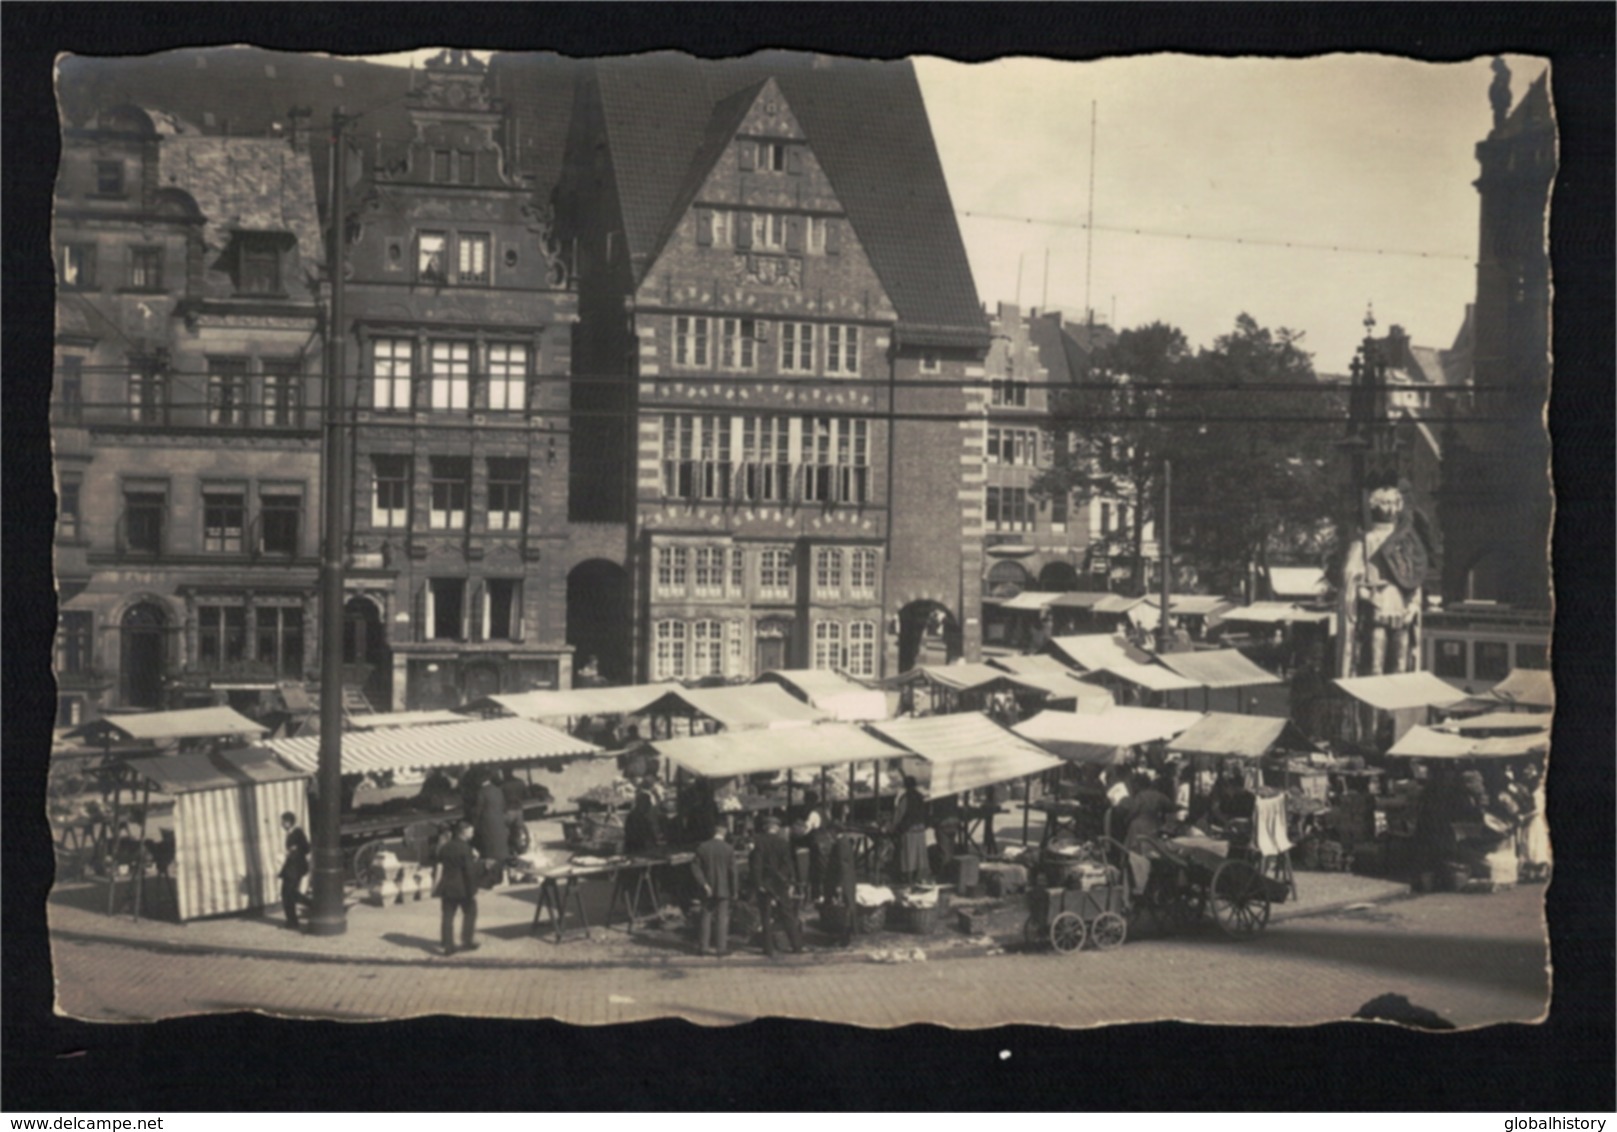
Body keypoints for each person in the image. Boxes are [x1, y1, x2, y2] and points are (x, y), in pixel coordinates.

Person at [749, 814, 803, 956]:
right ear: (776, 828)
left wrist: (758, 882)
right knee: (787, 914)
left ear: (765, 827)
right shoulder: (783, 842)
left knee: (766, 915)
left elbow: (756, 865)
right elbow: (788, 864)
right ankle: (796, 945)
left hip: (765, 882)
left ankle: (768, 948)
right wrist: (786, 879)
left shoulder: (759, 842)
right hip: (780, 883)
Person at [690, 823, 739, 957]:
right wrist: (734, 891)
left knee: (705, 916)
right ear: (724, 833)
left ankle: (703, 947)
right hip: (724, 889)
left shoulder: (702, 847)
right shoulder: (729, 849)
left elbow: (695, 868)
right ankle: (721, 948)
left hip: (707, 889)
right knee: (722, 918)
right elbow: (733, 872)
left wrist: (703, 884)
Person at [433, 821, 481, 956]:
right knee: (471, 912)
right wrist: (473, 890)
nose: (472, 834)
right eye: (470, 831)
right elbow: (469, 872)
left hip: (447, 886)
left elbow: (439, 862)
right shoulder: (465, 849)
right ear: (463, 832)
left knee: (448, 916)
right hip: (463, 888)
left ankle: (448, 945)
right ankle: (467, 940)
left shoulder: (445, 847)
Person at [825, 804, 861, 948]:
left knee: (843, 909)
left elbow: (841, 865)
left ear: (834, 831)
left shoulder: (840, 844)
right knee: (847, 906)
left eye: (830, 832)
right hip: (847, 879)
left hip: (843, 880)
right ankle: (845, 936)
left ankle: (844, 938)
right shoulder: (844, 841)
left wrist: (838, 884)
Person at [1115, 773, 1179, 851]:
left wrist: (1127, 819)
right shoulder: (1158, 795)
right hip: (1154, 823)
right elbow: (1171, 807)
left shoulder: (1140, 796)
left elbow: (1134, 810)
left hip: (1139, 824)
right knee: (1153, 845)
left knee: (1136, 846)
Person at [472, 771, 509, 884]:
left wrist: (474, 825)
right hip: (499, 824)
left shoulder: (481, 792)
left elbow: (478, 811)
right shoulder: (498, 790)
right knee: (500, 851)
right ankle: (503, 876)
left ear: (479, 780)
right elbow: (503, 806)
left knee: (489, 852)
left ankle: (491, 877)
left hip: (487, 825)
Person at [891, 776, 930, 884]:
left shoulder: (905, 798)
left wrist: (892, 827)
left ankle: (908, 880)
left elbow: (899, 815)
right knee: (919, 856)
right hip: (920, 829)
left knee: (908, 856)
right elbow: (926, 813)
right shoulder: (920, 797)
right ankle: (918, 879)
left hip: (909, 830)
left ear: (905, 785)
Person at [278, 812, 312, 931]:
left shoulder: (298, 832)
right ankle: (292, 921)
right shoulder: (290, 833)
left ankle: (312, 906)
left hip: (296, 868)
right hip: (290, 868)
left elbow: (307, 848)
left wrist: (296, 849)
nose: (281, 824)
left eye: (283, 821)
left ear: (289, 822)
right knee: (287, 894)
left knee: (289, 893)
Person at [623, 790, 665, 855]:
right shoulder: (634, 817)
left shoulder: (644, 817)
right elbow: (635, 837)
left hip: (644, 850)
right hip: (636, 851)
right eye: (647, 802)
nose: (649, 804)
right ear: (640, 803)